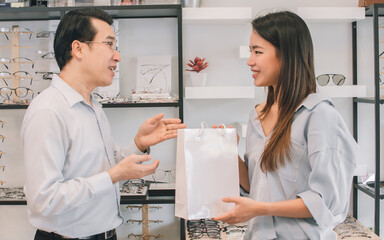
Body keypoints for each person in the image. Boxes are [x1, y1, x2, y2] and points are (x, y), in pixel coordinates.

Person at [21, 8, 186, 240]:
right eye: (109, 45)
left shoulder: (93, 106)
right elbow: (43, 200)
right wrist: (111, 176)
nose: (117, 56)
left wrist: (138, 144)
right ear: (78, 48)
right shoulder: (49, 110)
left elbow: (109, 172)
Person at [214, 11, 358, 240]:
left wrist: (260, 209)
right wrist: (230, 152)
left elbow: (324, 204)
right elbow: (257, 187)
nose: (250, 60)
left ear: (287, 55)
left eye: (258, 52)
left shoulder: (320, 116)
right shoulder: (257, 116)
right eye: (250, 51)